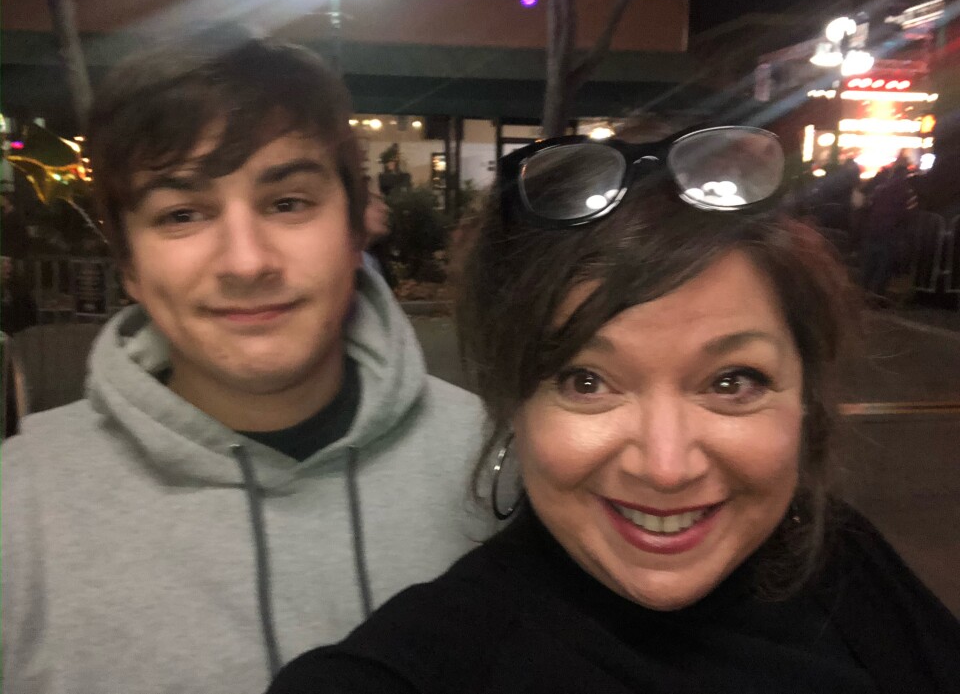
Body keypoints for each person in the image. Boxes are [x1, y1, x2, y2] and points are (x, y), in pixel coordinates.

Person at [271, 126, 960, 693]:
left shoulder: (838, 557)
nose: (666, 467)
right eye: (587, 380)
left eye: (732, 381)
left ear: (804, 397)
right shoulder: (423, 666)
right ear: (516, 404)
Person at [0, 29, 487, 694]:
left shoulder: (499, 471)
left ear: (353, 230)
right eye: (182, 213)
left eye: (287, 202)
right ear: (130, 267)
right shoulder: (18, 511)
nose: (246, 260)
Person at [860, 161, 916, 302]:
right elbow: (909, 214)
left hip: (874, 229)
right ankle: (877, 294)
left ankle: (863, 291)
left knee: (870, 262)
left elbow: (867, 207)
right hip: (891, 231)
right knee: (884, 264)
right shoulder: (907, 191)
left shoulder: (880, 188)